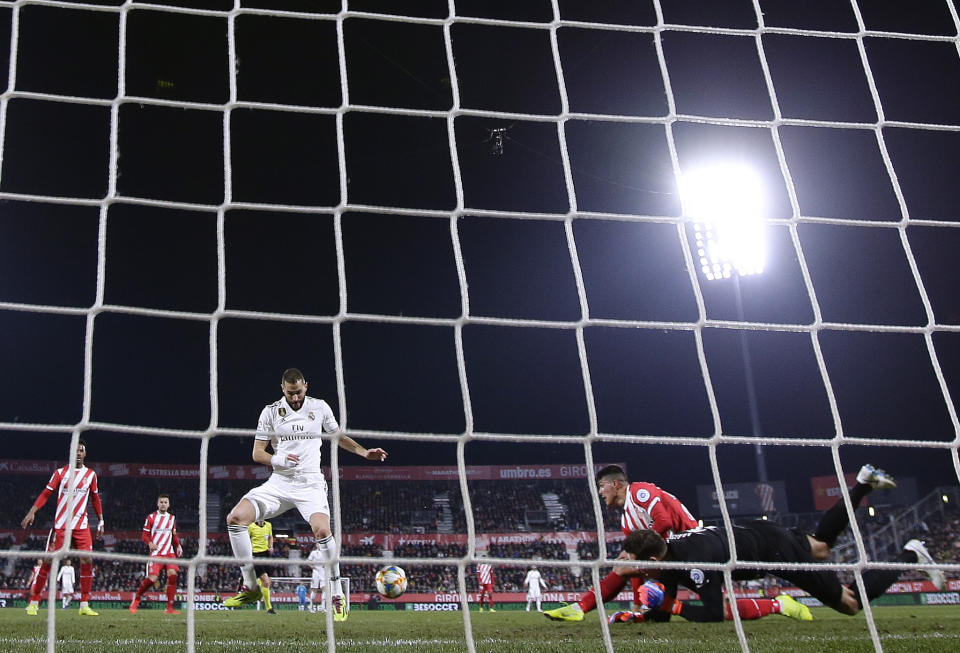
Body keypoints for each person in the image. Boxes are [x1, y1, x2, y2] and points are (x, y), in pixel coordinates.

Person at [613, 464, 946, 622]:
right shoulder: (668, 556)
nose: (625, 565)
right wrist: (641, 613)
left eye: (630, 560)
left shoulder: (696, 565)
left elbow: (714, 613)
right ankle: (860, 483)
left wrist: (671, 605)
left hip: (774, 551)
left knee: (849, 604)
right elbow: (663, 614)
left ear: (651, 562)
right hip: (759, 534)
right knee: (821, 547)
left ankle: (911, 553)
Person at [223, 368, 388, 624]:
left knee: (322, 532)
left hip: (310, 483)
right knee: (235, 518)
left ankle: (336, 593)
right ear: (282, 389)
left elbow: (337, 437)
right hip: (279, 482)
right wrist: (278, 459)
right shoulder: (270, 412)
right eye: (290, 393)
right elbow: (257, 453)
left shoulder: (320, 407)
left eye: (299, 392)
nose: (295, 398)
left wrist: (365, 453)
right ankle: (250, 586)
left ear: (306, 387)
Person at [545, 465, 698, 622]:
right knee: (625, 564)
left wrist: (638, 551)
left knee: (624, 564)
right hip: (674, 556)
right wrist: (637, 606)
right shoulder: (626, 522)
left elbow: (664, 521)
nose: (600, 492)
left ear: (615, 484)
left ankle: (580, 607)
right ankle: (579, 608)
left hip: (695, 546)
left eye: (602, 486)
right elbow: (634, 563)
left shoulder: (639, 491)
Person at [21, 439, 104, 616]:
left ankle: (84, 605)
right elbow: (46, 493)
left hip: (81, 526)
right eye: (75, 450)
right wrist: (32, 511)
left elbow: (95, 499)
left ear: (85, 453)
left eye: (81, 450)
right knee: (49, 561)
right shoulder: (60, 473)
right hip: (61, 526)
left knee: (87, 561)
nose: (78, 453)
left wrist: (101, 521)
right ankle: (34, 602)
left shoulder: (91, 475)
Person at [130, 493, 183, 615]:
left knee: (173, 575)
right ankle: (137, 598)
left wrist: (178, 545)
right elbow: (145, 535)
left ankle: (169, 607)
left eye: (165, 502)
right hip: (156, 553)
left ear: (168, 504)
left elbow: (173, 535)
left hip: (169, 553)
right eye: (161, 502)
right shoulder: (151, 518)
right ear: (157, 504)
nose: (163, 504)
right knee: (153, 579)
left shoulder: (172, 518)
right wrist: (149, 543)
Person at [248, 519, 277, 614]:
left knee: (268, 582)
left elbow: (270, 537)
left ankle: (256, 591)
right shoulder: (251, 526)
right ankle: (269, 608)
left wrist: (271, 546)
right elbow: (246, 540)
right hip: (255, 555)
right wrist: (249, 553)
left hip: (266, 555)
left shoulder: (268, 525)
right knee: (265, 579)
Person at [307, 540, 326, 613]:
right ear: (316, 545)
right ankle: (311, 607)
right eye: (318, 544)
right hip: (315, 572)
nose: (319, 545)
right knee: (314, 589)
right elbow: (309, 561)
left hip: (323, 572)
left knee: (325, 589)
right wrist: (312, 566)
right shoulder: (313, 553)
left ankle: (323, 607)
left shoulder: (325, 553)